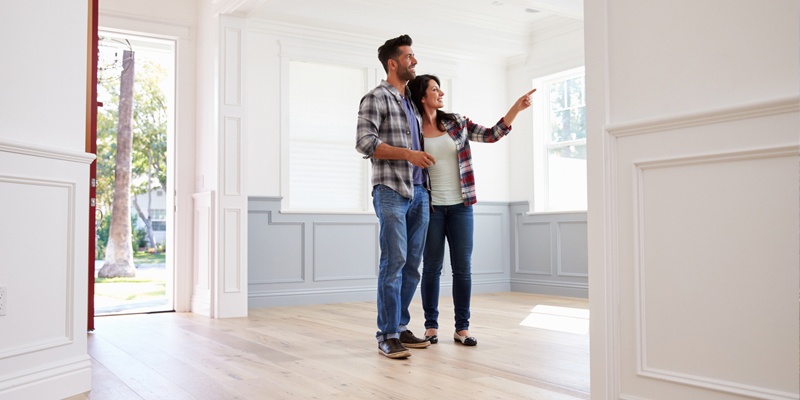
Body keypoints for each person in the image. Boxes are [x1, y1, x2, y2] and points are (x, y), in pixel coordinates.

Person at [408, 74, 535, 346]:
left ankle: (461, 328)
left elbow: (491, 135)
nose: (441, 93)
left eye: (440, 88)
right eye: (434, 89)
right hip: (430, 207)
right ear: (422, 97)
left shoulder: (456, 123)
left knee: (462, 269)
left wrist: (515, 109)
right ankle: (431, 327)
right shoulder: (412, 129)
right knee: (431, 268)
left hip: (461, 206)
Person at [355, 35, 435, 359]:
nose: (414, 61)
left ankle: (400, 326)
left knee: (413, 265)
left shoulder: (411, 104)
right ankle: (386, 334)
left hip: (420, 192)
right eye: (409, 56)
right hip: (391, 189)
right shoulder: (376, 98)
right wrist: (408, 155)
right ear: (393, 62)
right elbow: (364, 142)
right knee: (394, 262)